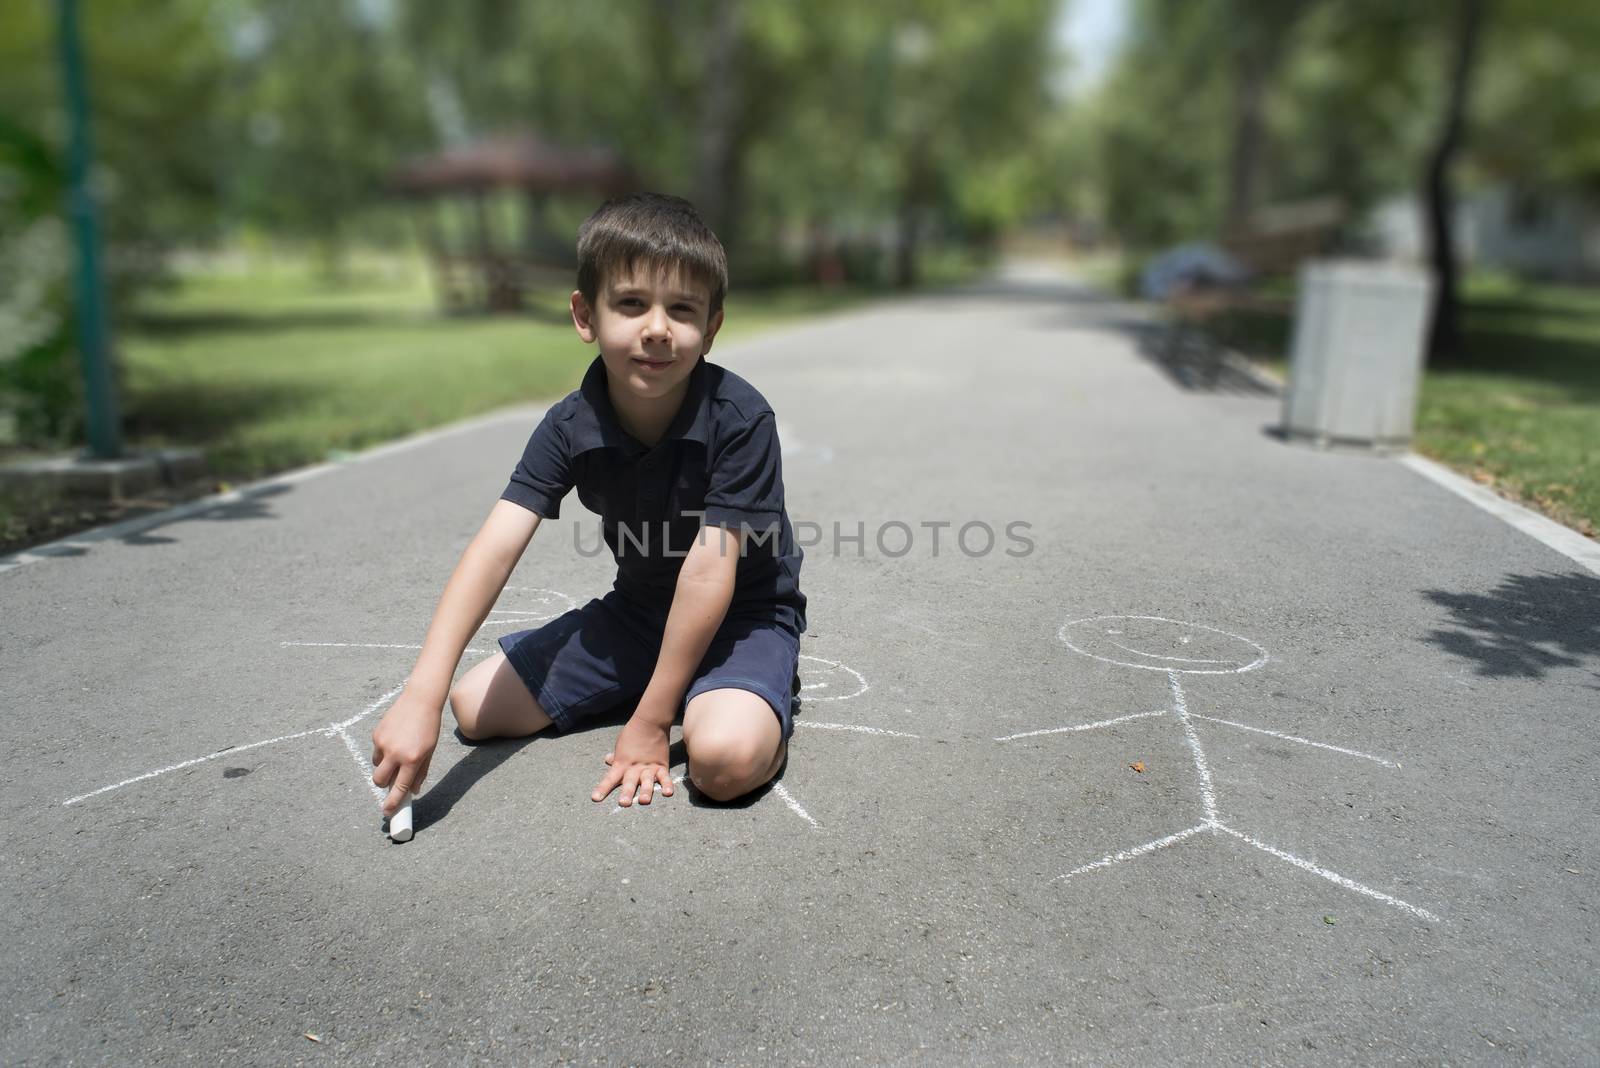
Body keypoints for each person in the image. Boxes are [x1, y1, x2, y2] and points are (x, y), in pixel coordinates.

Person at [369, 192, 806, 820]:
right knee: (473, 707)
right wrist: (421, 696)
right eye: (631, 304)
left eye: (681, 310)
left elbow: (712, 570)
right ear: (585, 315)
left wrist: (652, 720)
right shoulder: (570, 426)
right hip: (640, 615)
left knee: (722, 762)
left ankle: (731, 696)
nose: (657, 328)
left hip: (745, 617)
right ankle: (684, 684)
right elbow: (494, 550)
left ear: (710, 327)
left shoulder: (739, 419)